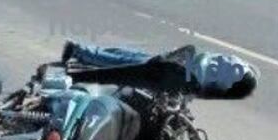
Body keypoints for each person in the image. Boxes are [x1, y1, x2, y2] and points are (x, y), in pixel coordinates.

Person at [60, 40, 259, 98]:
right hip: (174, 68)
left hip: (176, 64)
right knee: (124, 63)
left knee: (125, 59)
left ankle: (82, 52)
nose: (232, 62)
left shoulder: (232, 67)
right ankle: (82, 55)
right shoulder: (230, 72)